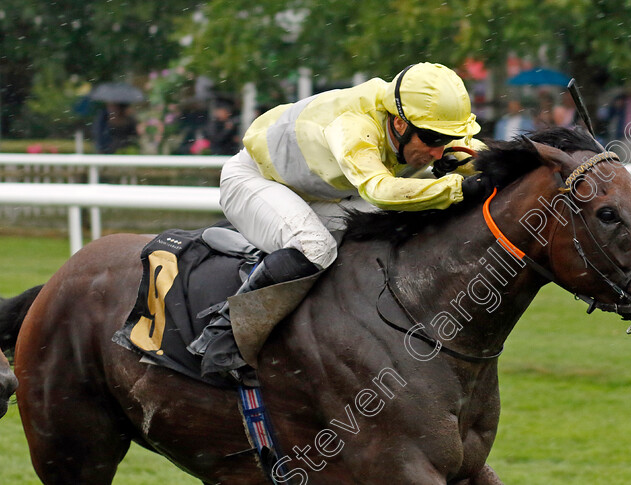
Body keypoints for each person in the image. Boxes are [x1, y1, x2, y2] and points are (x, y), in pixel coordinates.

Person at [189, 62, 490, 380]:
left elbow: (472, 152)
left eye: (445, 139)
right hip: (256, 179)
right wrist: (458, 187)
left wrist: (503, 165)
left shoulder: (419, 121)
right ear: (400, 124)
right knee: (314, 247)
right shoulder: (354, 126)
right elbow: (381, 191)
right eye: (431, 139)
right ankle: (221, 338)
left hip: (322, 189)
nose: (437, 151)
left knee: (393, 231)